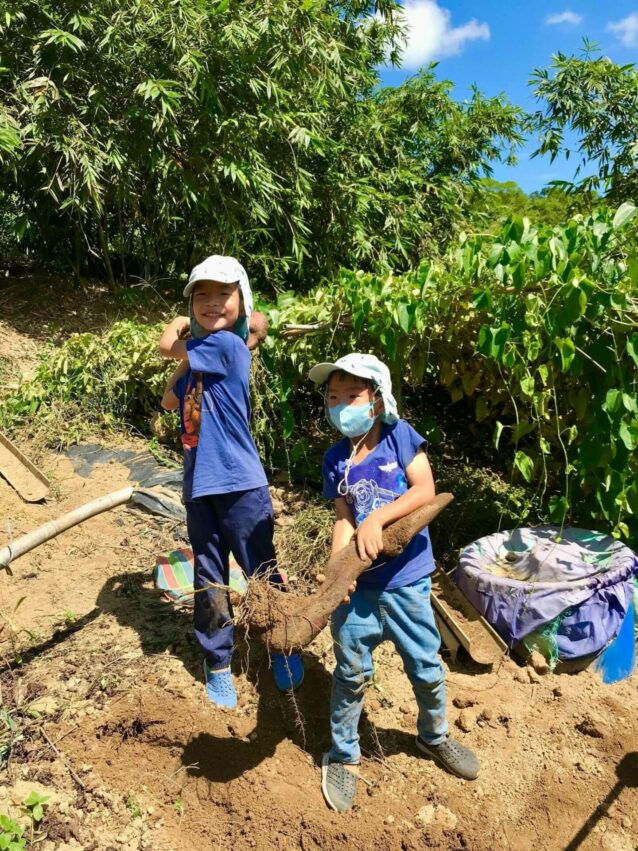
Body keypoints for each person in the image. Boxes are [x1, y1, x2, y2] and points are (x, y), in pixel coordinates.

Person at [308, 353, 480, 813]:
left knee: (426, 665)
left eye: (352, 396)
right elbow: (344, 517)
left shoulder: (401, 438)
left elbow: (424, 489)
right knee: (351, 673)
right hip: (359, 592)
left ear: (378, 400)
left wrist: (378, 520)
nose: (341, 404)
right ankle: (343, 755)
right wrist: (335, 573)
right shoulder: (335, 458)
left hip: (406, 584)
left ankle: (434, 737)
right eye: (333, 397)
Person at [159, 255, 304, 709]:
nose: (211, 303)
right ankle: (217, 661)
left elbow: (168, 346)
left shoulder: (226, 347)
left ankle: (281, 644)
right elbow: (168, 401)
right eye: (200, 296)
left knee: (261, 568)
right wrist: (192, 360)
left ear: (242, 302)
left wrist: (181, 322)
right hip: (200, 487)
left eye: (224, 294)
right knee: (209, 576)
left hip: (240, 484)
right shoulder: (205, 362)